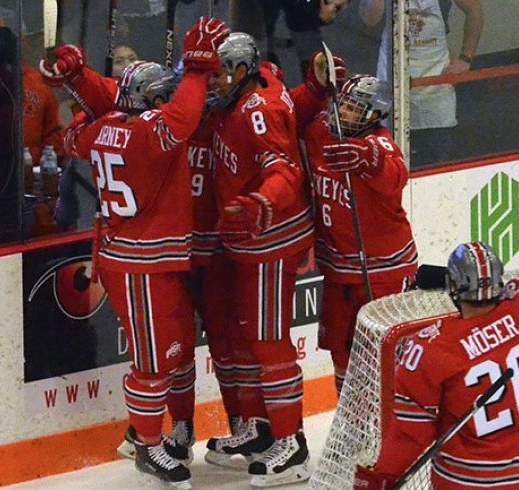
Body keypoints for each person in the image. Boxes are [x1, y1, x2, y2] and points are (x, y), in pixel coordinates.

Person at [41, 17, 230, 487]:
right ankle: (145, 443)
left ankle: (179, 428)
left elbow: (88, 121)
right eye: (159, 96)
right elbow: (182, 115)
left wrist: (79, 84)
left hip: (148, 257)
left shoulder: (105, 126)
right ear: (151, 101)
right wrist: (198, 69)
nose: (167, 101)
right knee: (152, 361)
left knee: (178, 348)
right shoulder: (152, 132)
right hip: (138, 262)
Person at [353, 150, 519, 490]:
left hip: (468, 482)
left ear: (453, 289)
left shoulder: (430, 348)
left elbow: (411, 433)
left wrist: (382, 476)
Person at [201, 31, 315, 486]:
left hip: (271, 239)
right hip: (246, 241)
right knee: (247, 339)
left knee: (269, 343)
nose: (213, 83)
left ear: (244, 72)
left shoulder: (258, 111)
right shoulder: (248, 91)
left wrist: (262, 201)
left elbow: (285, 170)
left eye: (221, 73)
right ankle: (260, 430)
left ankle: (293, 445)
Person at [302, 74, 418, 395]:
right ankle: (353, 428)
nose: (341, 112)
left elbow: (396, 174)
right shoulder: (319, 133)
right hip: (339, 272)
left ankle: (395, 426)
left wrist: (369, 160)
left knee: (386, 354)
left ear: (373, 115)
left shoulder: (378, 144)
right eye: (342, 103)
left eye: (352, 108)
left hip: (383, 271)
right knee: (341, 353)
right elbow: (294, 120)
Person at [359, 0, 483, 130]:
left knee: (438, 141)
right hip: (392, 77)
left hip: (436, 78)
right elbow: (370, 20)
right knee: (391, 141)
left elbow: (474, 10)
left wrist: (465, 58)